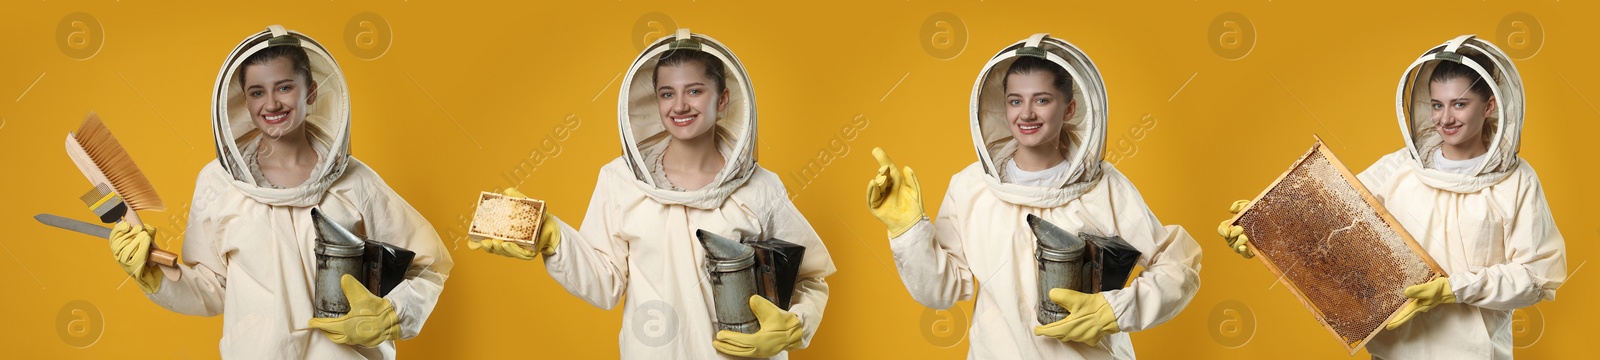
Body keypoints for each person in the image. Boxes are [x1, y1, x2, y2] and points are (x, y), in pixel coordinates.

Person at [470, 29, 835, 359]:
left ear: (722, 100)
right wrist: (554, 239)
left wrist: (793, 327)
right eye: (667, 93)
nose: (679, 106)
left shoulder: (760, 187)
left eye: (694, 90)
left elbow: (808, 277)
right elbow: (605, 284)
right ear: (655, 101)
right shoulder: (619, 180)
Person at [106, 25, 452, 358]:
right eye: (257, 92)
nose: (271, 104)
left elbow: (427, 265)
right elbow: (211, 289)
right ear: (245, 101)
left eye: (284, 87)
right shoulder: (218, 182)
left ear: (311, 92)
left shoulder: (356, 180)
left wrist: (392, 312)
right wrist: (154, 273)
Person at [1218, 35, 1566, 358]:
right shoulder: (1396, 168)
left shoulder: (1518, 182)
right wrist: (1269, 228)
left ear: (1489, 105)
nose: (1446, 118)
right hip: (1390, 354)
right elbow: (1334, 231)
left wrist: (1454, 289)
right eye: (1437, 104)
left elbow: (1537, 277)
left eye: (1459, 104)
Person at [866, 33, 1201, 359]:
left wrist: (1112, 311)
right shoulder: (970, 186)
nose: (1026, 114)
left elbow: (1178, 266)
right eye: (1015, 100)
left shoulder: (1104, 186)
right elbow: (941, 290)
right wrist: (908, 232)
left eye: (1041, 99)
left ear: (1069, 109)